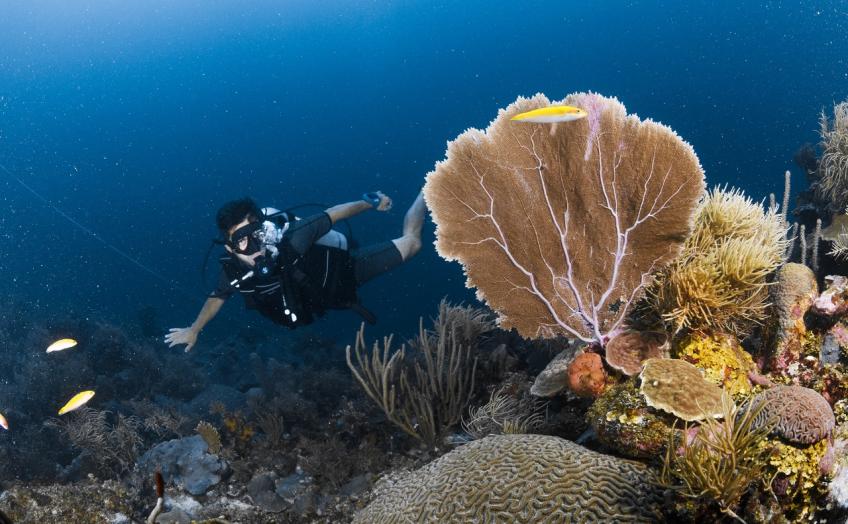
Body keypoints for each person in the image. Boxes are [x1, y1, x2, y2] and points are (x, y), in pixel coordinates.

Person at [165, 191, 426, 352]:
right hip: (316, 304)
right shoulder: (235, 270)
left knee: (413, 244)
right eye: (241, 241)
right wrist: (194, 329)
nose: (254, 247)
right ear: (231, 248)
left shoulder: (293, 238)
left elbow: (333, 214)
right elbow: (217, 297)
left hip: (347, 274)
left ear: (265, 228)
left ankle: (426, 192)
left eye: (256, 234)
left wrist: (370, 202)